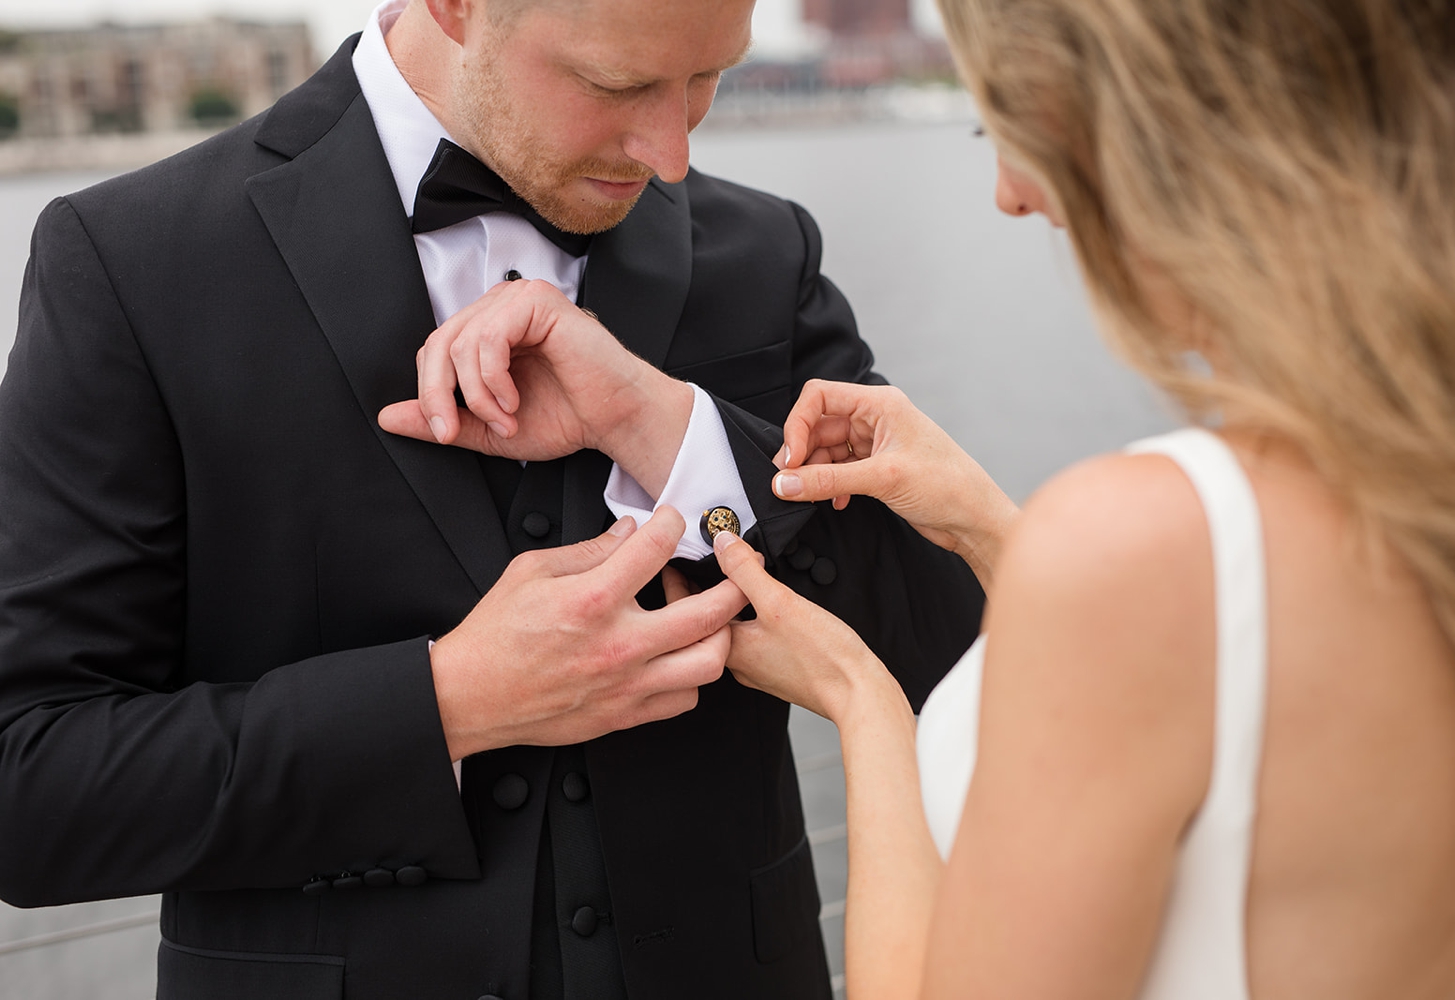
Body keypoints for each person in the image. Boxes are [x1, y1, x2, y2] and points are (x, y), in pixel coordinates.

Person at [0, 0, 985, 997]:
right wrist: (446, 704)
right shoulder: (133, 262)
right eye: (619, 84)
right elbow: (27, 785)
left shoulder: (766, 255)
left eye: (706, 79)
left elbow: (970, 668)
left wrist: (672, 428)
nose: (672, 154)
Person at [709, 0, 1455, 997]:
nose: (1009, 195)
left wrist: (859, 704)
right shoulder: (1450, 478)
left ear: (1148, 121)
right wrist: (994, 527)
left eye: (1013, 128)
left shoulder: (1134, 551)